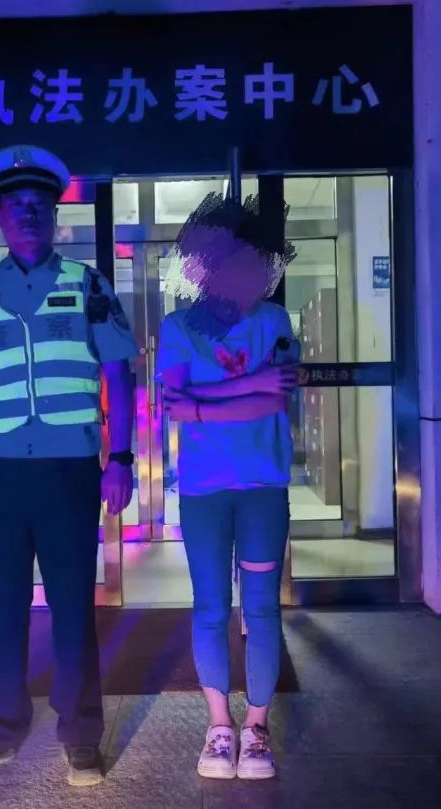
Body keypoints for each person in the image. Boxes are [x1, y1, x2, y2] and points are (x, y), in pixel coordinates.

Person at [0, 145, 137, 788]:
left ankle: (81, 737)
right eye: (15, 204)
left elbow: (120, 375)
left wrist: (121, 457)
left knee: (74, 607)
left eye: (39, 204)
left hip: (68, 471)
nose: (28, 213)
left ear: (55, 215)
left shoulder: (87, 286)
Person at [156, 192, 299, 781]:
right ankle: (219, 727)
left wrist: (203, 401)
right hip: (203, 490)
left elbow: (277, 395)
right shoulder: (178, 326)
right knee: (211, 606)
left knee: (261, 608)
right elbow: (173, 404)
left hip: (263, 485)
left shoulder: (273, 320)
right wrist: (249, 386)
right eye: (213, 256)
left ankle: (257, 728)